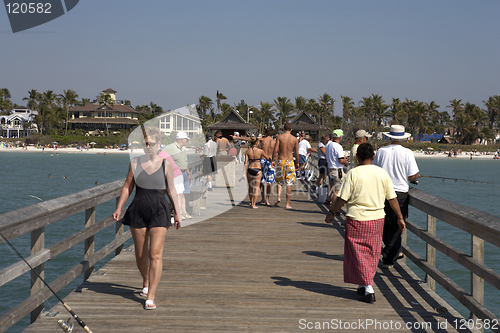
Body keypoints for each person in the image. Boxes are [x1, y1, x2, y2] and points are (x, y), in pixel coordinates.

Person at [325, 143, 405, 303]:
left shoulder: (353, 173)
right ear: (373, 157)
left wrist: (332, 213)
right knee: (373, 252)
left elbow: (342, 197)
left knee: (357, 253)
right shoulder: (382, 173)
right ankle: (363, 284)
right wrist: (400, 217)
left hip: (356, 219)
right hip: (376, 220)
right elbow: (392, 198)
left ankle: (368, 287)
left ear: (357, 157)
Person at [112, 126, 181, 310]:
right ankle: (146, 279)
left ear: (159, 144)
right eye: (145, 144)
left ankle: (150, 295)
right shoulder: (135, 162)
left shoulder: (166, 164)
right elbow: (128, 186)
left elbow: (171, 189)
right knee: (141, 255)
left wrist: (178, 212)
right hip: (138, 208)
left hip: (160, 209)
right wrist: (119, 207)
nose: (148, 147)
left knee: (155, 254)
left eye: (151, 144)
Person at [373, 125, 420, 269]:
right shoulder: (407, 153)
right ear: (403, 138)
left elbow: (375, 170)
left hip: (382, 192)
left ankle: (390, 252)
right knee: (396, 225)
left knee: (384, 224)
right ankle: (389, 257)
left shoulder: (381, 151)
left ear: (390, 136)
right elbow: (412, 176)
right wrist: (416, 176)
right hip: (399, 193)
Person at [162, 131, 193, 219]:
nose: (186, 140)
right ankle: (178, 213)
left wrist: (188, 173)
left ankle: (184, 212)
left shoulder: (183, 149)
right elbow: (160, 155)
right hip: (176, 174)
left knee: (183, 194)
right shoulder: (170, 147)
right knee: (178, 194)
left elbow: (185, 162)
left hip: (184, 173)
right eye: (186, 139)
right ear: (182, 139)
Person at [272, 123, 299, 209]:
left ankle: (278, 198)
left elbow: (276, 149)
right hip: (290, 162)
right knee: (289, 183)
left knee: (279, 182)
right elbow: (297, 152)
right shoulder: (294, 139)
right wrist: (297, 162)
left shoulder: (279, 137)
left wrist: (273, 160)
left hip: (281, 160)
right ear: (291, 130)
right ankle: (287, 204)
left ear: (284, 129)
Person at [325, 129, 349, 205]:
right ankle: (334, 207)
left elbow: (334, 156)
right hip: (337, 171)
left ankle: (328, 200)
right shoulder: (338, 146)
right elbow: (341, 161)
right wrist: (347, 162)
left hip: (331, 169)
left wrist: (342, 157)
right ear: (340, 137)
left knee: (331, 184)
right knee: (338, 190)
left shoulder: (329, 145)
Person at [244, 137, 265, 209]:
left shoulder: (247, 151)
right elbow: (267, 157)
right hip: (258, 169)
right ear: (256, 143)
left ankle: (251, 201)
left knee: (250, 187)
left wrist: (244, 172)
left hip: (250, 169)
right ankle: (254, 204)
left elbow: (245, 163)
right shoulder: (260, 151)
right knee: (256, 188)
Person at [258, 128, 276, 205]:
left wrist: (237, 138)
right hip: (270, 161)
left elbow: (249, 139)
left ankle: (263, 198)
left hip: (262, 161)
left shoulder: (262, 140)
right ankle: (267, 200)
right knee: (270, 181)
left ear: (265, 133)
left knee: (261, 180)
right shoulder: (275, 142)